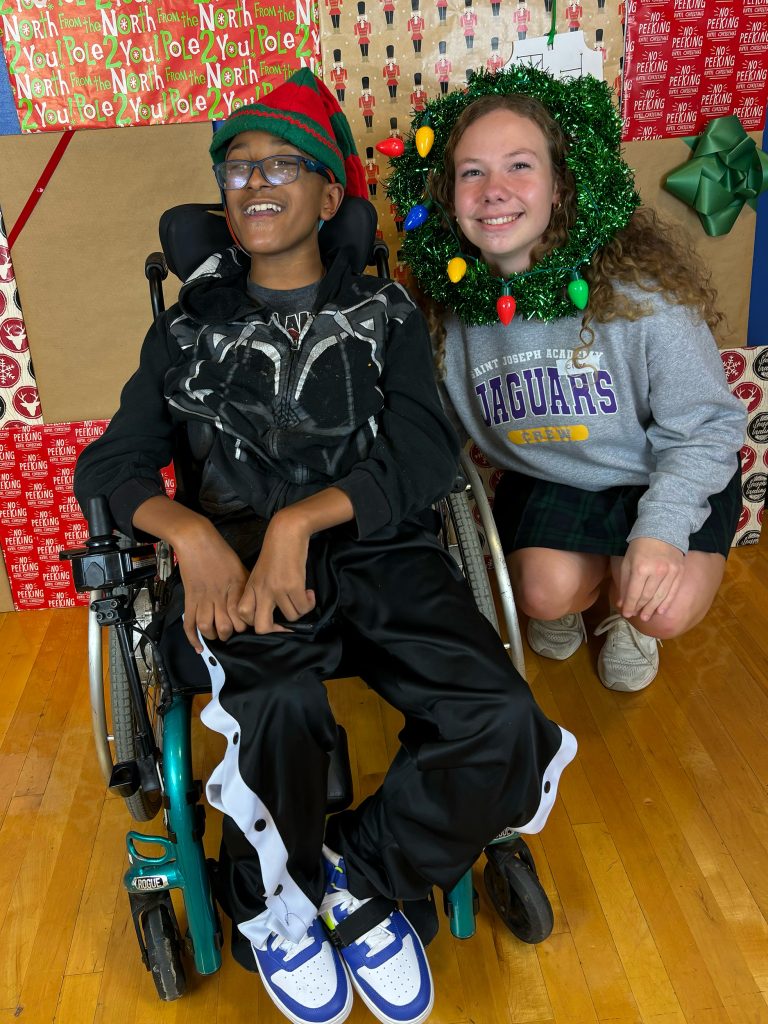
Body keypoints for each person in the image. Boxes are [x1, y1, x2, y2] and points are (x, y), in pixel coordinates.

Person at [74, 70, 576, 1024]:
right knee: (279, 706)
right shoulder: (186, 332)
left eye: (282, 166)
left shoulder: (385, 315)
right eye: (237, 168)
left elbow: (424, 453)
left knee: (502, 716)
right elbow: (112, 465)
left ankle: (360, 868)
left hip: (380, 550)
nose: (255, 183)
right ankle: (274, 908)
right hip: (235, 568)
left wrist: (301, 520)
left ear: (328, 193)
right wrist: (191, 534)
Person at [387, 67, 745, 693]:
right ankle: (580, 589)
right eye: (472, 172)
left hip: (663, 466)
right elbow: (430, 431)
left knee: (661, 606)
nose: (494, 190)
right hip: (557, 473)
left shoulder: (640, 295)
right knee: (543, 594)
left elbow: (707, 426)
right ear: (448, 195)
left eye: (519, 166)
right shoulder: (445, 312)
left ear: (558, 187)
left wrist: (660, 533)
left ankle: (630, 612)